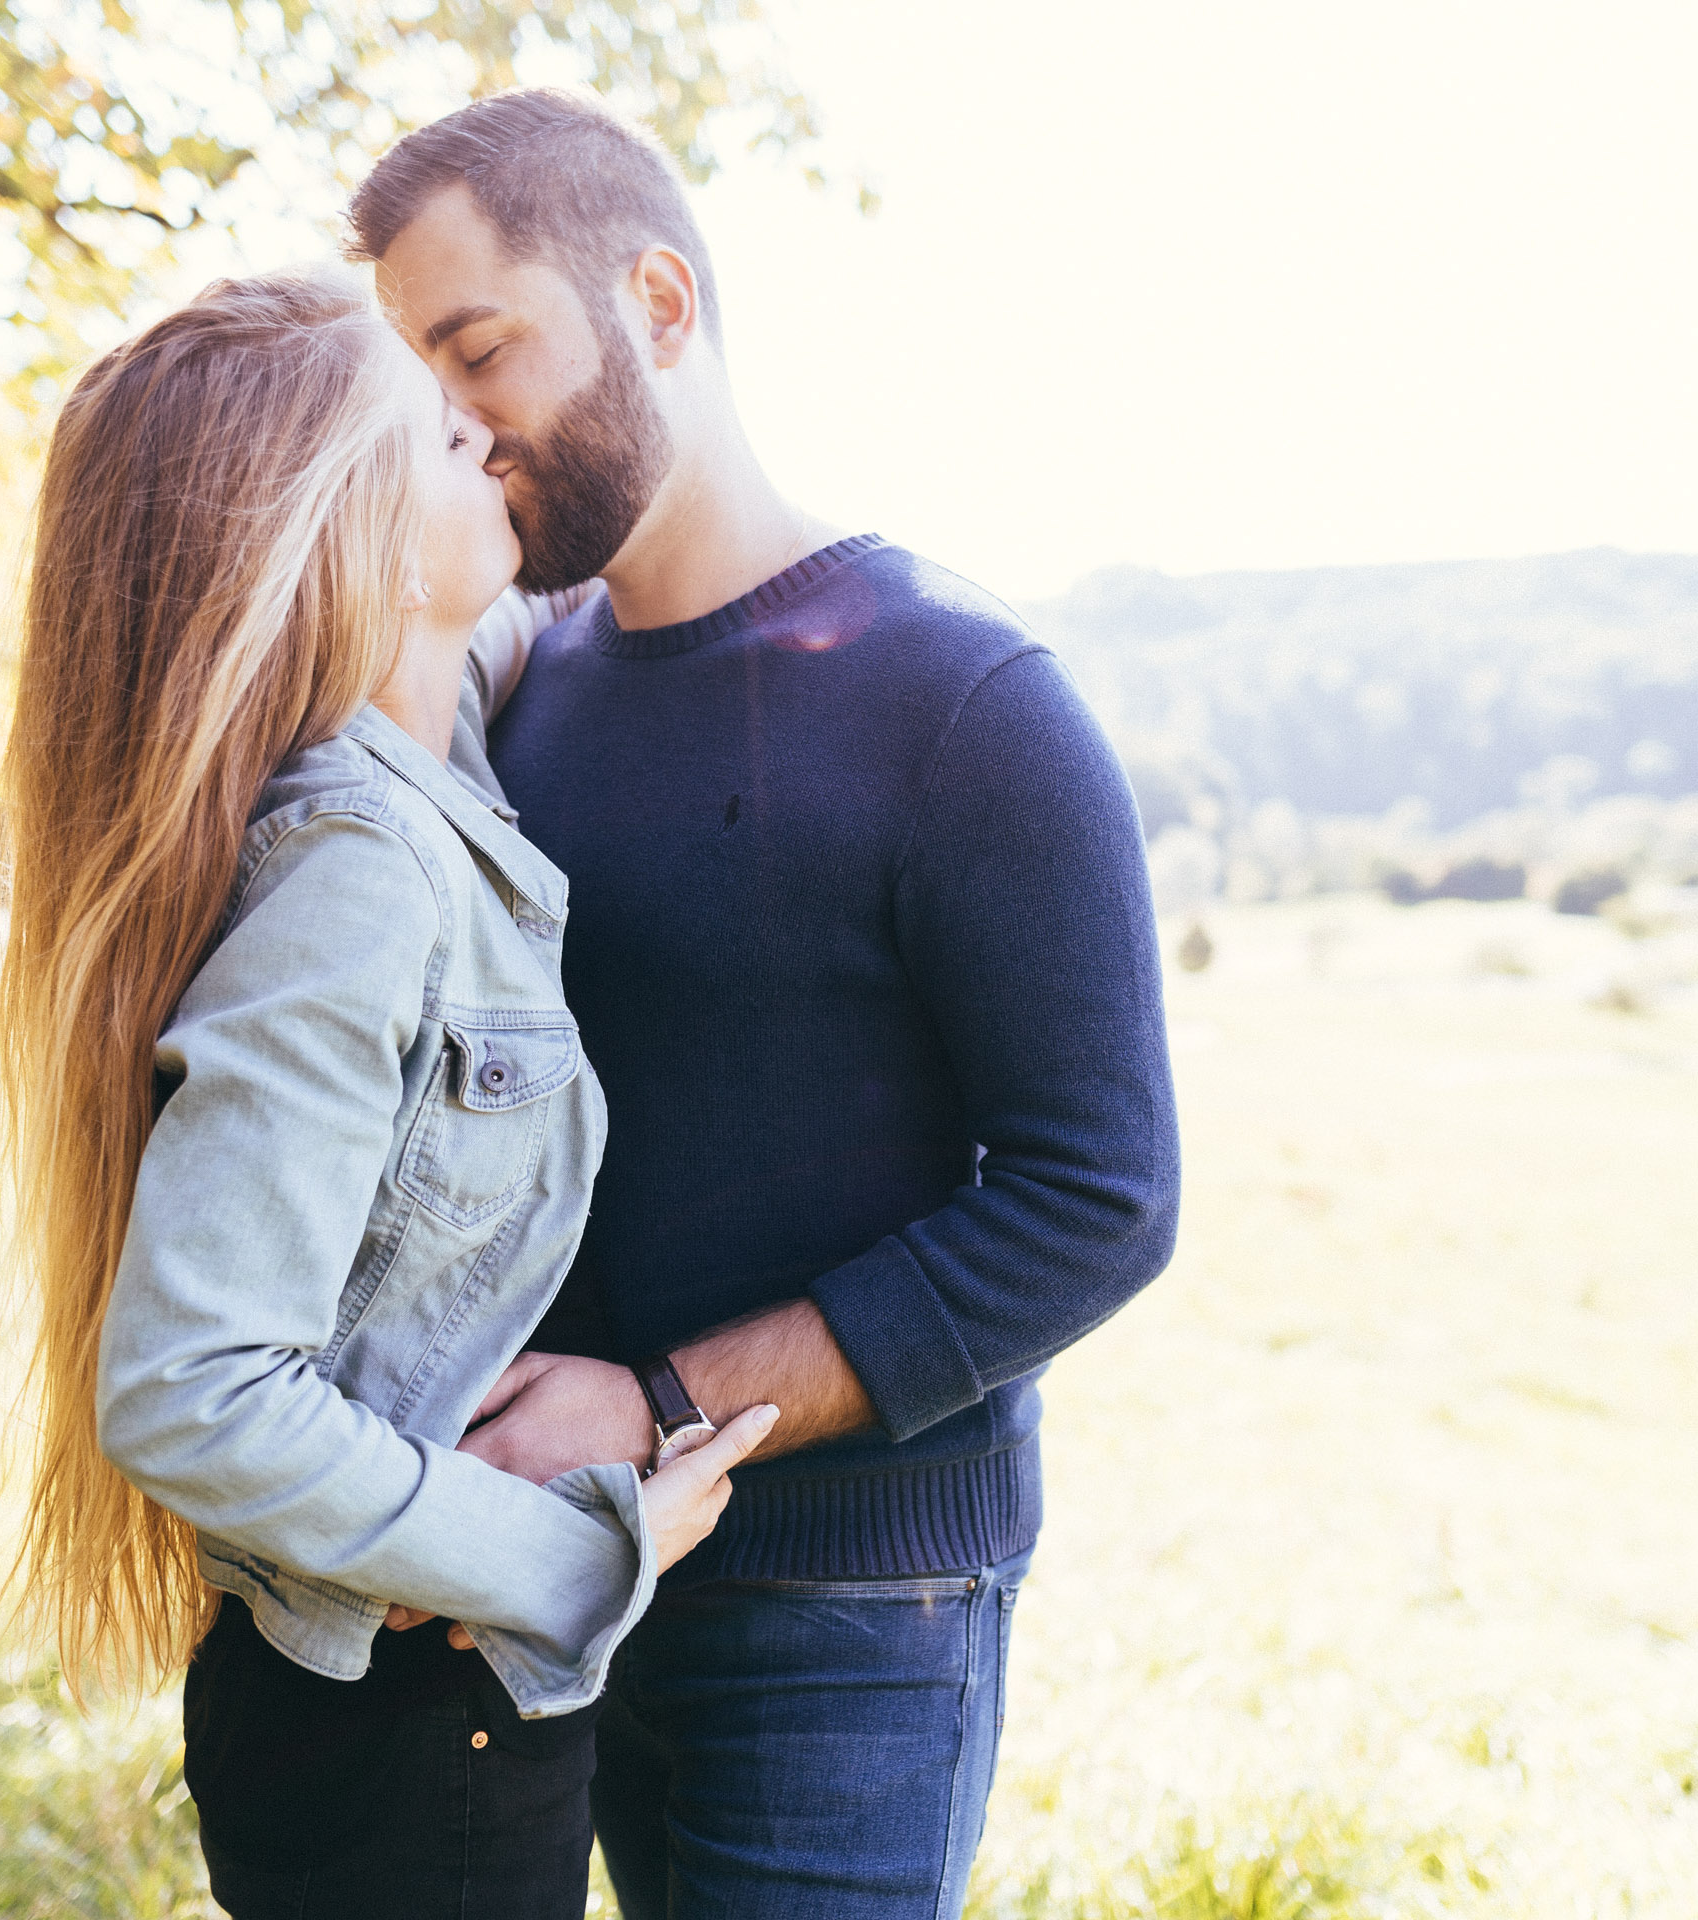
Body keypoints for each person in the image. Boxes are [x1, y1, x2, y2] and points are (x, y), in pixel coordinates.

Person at [350, 90, 1182, 1920]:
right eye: (424, 384)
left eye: (483, 351)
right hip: (543, 1576)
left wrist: (656, 1406)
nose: (459, 427)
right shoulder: (512, 693)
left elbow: (1098, 1204)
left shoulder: (966, 701)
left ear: (657, 300)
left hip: (849, 1613)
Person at [0, 264, 776, 1920]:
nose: (486, 433)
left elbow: (517, 597)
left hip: (414, 1715)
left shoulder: (433, 736)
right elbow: (190, 1385)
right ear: (347, 537)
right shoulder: (359, 874)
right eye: (438, 432)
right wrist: (576, 1553)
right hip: (407, 1735)